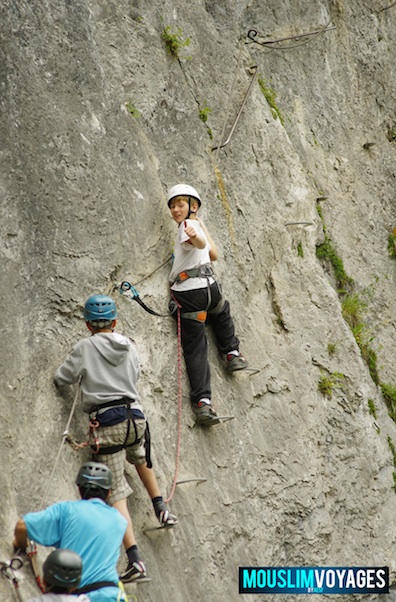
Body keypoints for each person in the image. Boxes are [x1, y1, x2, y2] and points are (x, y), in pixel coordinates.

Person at [54, 295, 177, 583]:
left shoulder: (84, 347)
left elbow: (62, 378)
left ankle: (135, 560)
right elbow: (135, 376)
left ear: (87, 324)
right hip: (135, 418)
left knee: (116, 491)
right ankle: (161, 508)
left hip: (107, 422)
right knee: (140, 458)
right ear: (115, 321)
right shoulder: (129, 346)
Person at [167, 184, 248, 425]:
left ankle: (203, 403)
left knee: (195, 348)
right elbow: (214, 254)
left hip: (188, 293)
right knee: (221, 312)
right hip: (210, 289)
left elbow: (203, 246)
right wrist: (200, 228)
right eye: (172, 206)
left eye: (180, 204)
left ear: (193, 207)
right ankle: (232, 353)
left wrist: (197, 234)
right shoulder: (193, 224)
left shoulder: (187, 227)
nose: (174, 210)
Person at [15, 462, 128, 602]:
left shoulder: (66, 510)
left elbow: (21, 527)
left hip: (75, 595)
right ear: (109, 491)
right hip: (111, 595)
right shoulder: (120, 521)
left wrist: (20, 545)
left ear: (79, 488)